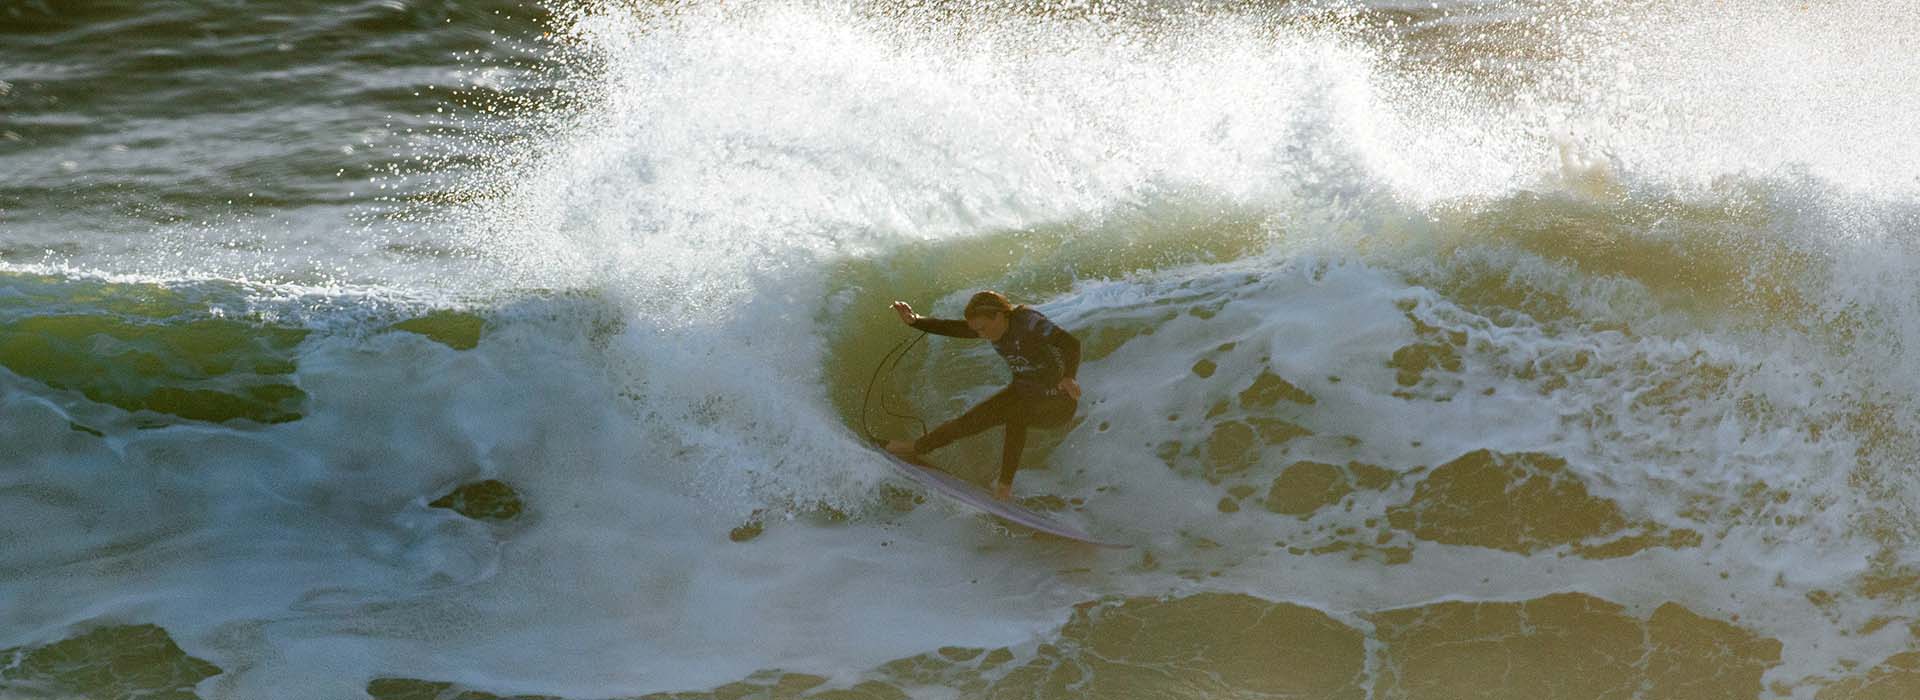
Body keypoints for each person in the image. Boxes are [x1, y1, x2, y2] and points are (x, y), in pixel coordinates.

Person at [885, 290, 1083, 500]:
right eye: (977, 330)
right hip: (1024, 391)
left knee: (1016, 416)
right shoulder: (991, 328)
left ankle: (1004, 487)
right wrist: (915, 321)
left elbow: (1070, 343)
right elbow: (954, 327)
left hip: (1057, 401)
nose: (982, 334)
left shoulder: (1028, 321)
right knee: (970, 421)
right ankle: (916, 447)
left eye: (983, 328)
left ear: (999, 315)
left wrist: (1069, 377)